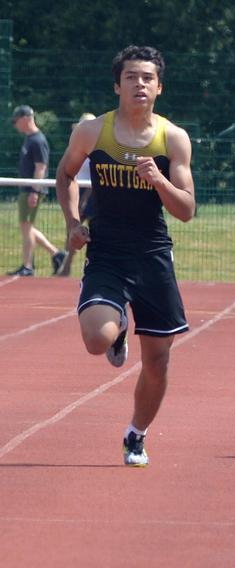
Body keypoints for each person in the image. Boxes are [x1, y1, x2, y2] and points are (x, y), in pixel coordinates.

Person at [55, 46, 195, 466]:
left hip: (152, 254)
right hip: (107, 252)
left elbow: (186, 209)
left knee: (158, 360)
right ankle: (115, 328)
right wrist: (73, 221)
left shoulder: (172, 139)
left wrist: (158, 180)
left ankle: (136, 434)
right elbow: (64, 175)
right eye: (131, 77)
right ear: (117, 85)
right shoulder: (93, 132)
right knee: (97, 340)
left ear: (159, 88)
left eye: (148, 78)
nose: (140, 84)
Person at [7, 105, 67, 276]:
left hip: (31, 189)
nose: (15, 125)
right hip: (27, 189)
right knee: (27, 226)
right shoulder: (29, 139)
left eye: (16, 121)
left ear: (26, 118)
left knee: (26, 226)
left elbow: (41, 167)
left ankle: (28, 266)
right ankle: (57, 254)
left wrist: (34, 190)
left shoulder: (38, 140)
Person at [56, 113, 97, 277]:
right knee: (72, 230)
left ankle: (91, 269)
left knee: (95, 232)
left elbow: (96, 176)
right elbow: (66, 173)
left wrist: (84, 201)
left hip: (92, 192)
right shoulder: (78, 144)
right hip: (78, 189)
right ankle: (66, 266)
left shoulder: (97, 148)